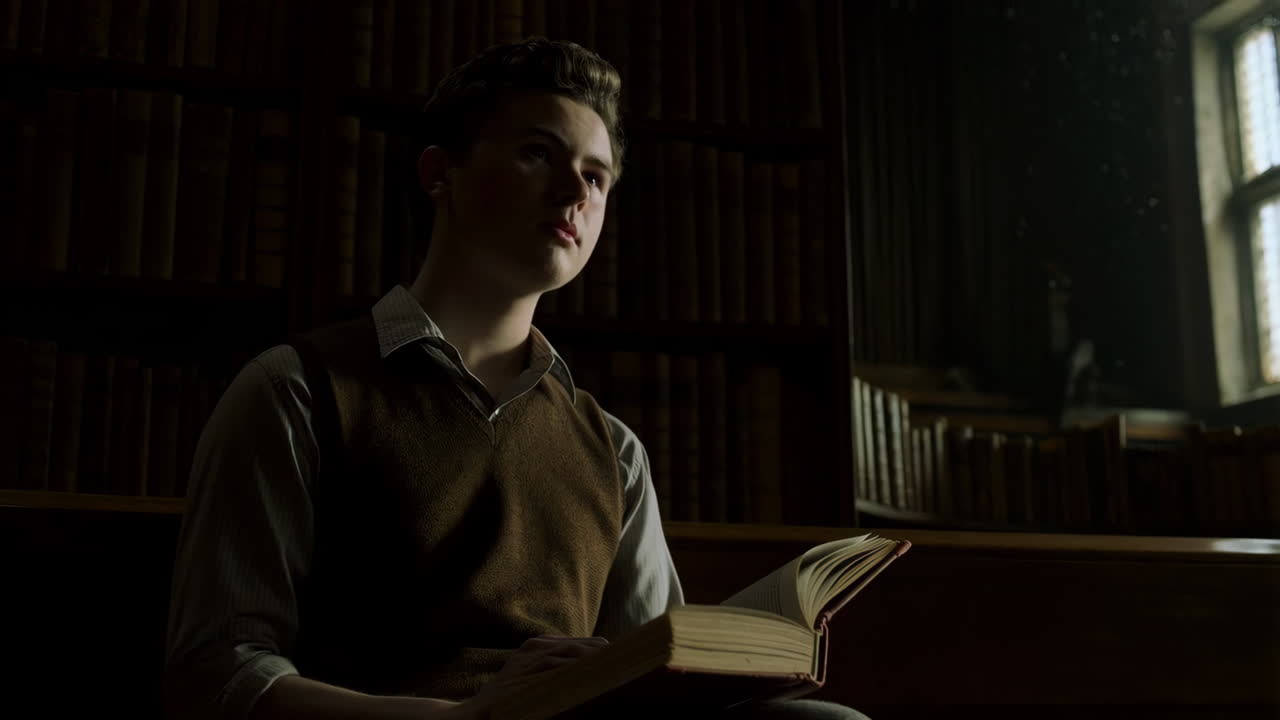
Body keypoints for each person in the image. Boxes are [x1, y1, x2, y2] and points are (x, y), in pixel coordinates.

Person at [163, 37, 868, 720]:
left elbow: (659, 681)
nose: (574, 190)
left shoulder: (612, 451)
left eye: (596, 177)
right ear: (440, 173)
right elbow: (218, 674)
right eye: (539, 153)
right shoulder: (299, 392)